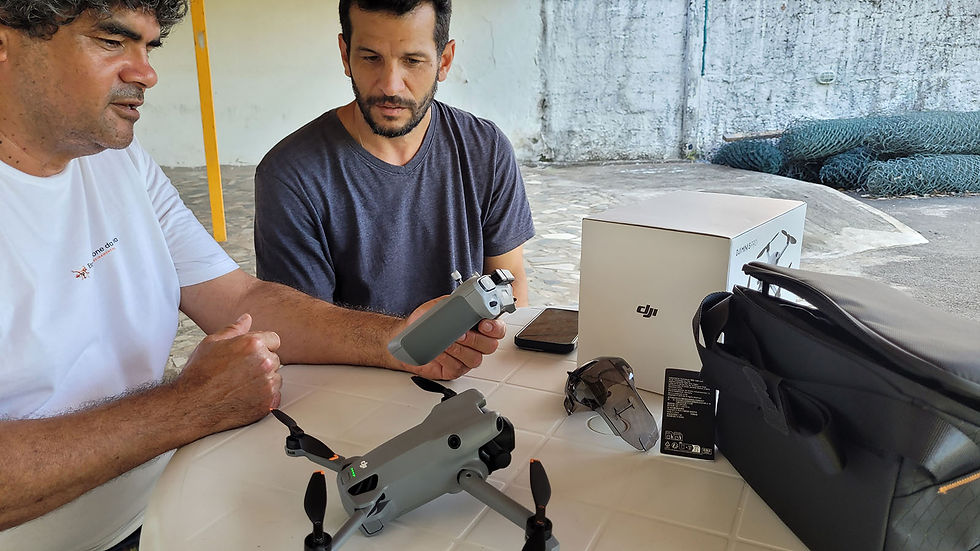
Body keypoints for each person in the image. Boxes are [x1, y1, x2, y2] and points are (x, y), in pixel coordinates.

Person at [0, 2, 506, 550]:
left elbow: (239, 297)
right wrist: (188, 406)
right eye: (111, 42)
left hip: (169, 506)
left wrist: (398, 341)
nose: (145, 73)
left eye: (149, 47)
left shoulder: (115, 160)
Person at [253, 0, 536, 318]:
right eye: (371, 58)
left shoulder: (486, 149)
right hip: (343, 368)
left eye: (413, 61)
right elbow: (304, 325)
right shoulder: (290, 174)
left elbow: (510, 286)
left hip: (473, 365)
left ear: (444, 61)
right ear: (345, 55)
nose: (390, 85)